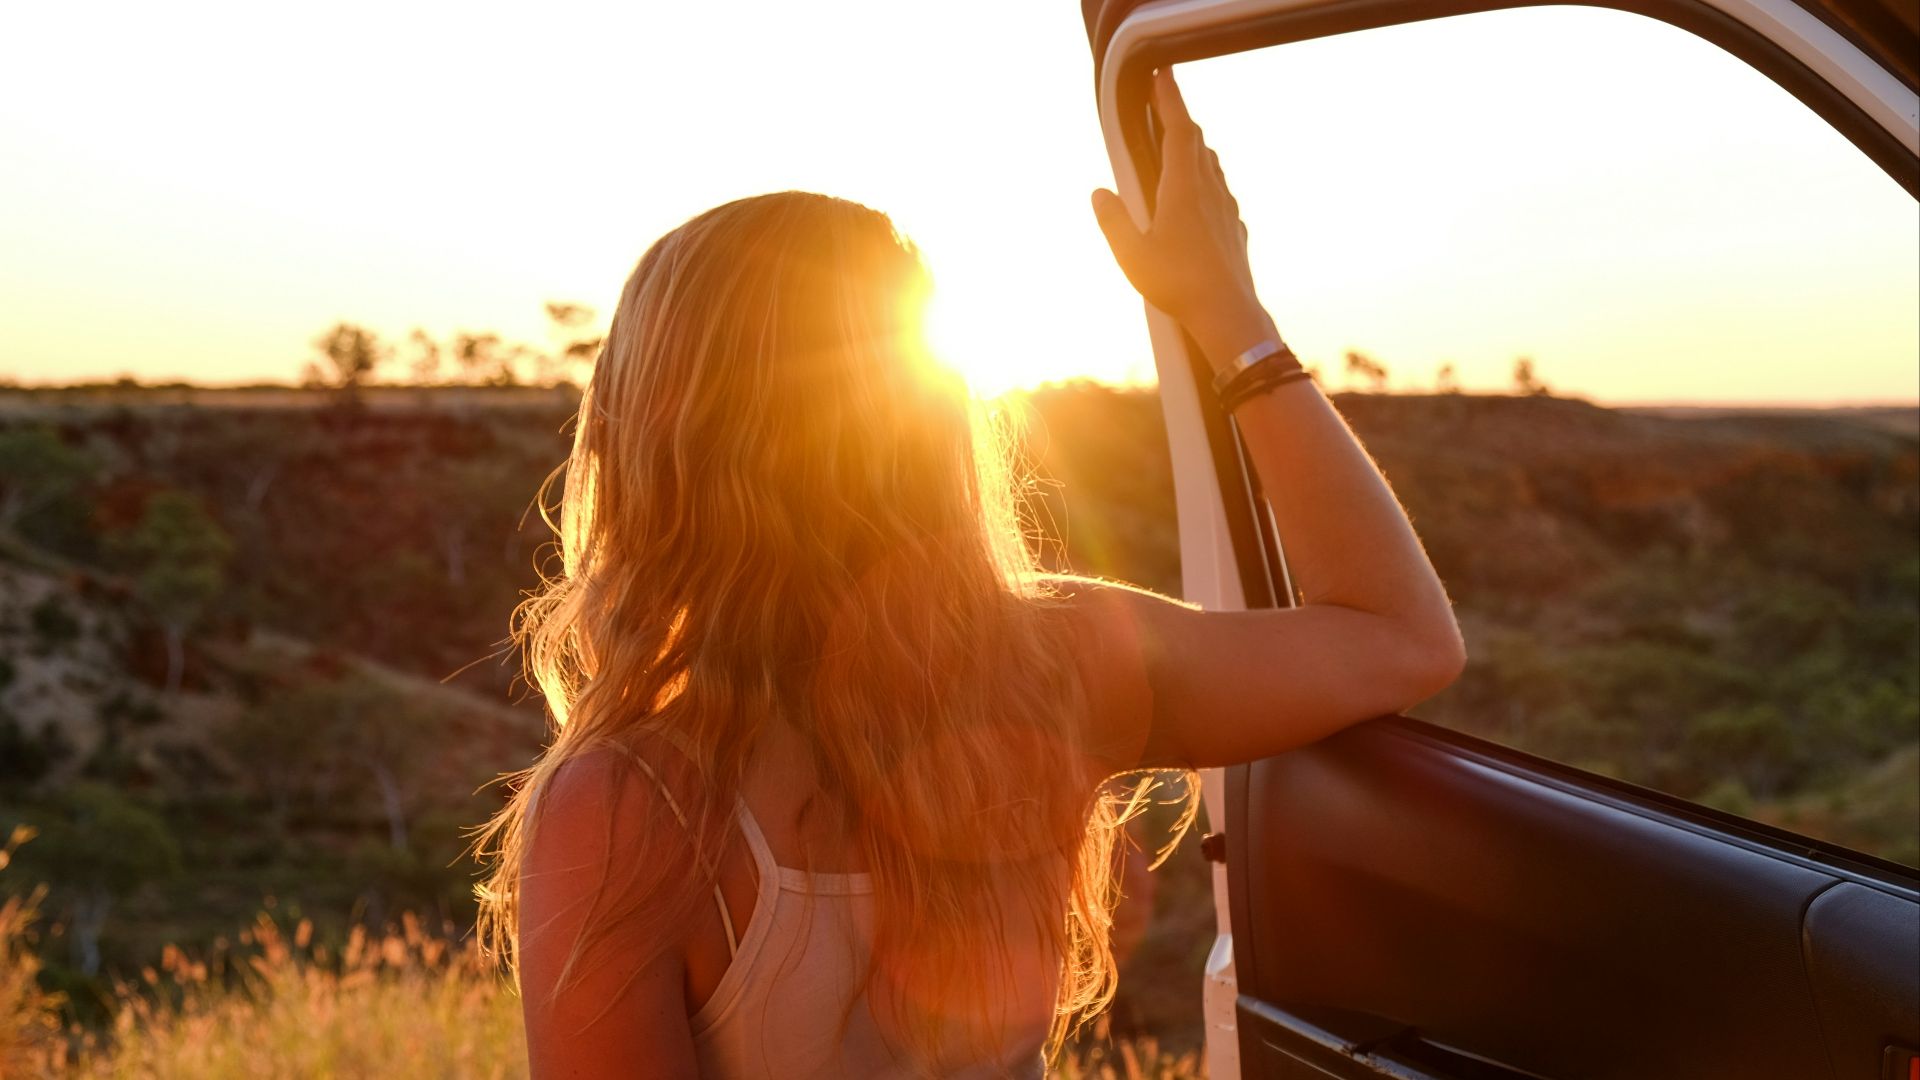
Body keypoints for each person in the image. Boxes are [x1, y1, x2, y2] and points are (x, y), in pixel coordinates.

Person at [473, 67, 1464, 1079]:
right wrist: (1230, 318)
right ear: (931, 421)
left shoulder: (627, 810)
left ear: (644, 442)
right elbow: (1400, 637)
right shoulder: (1059, 664)